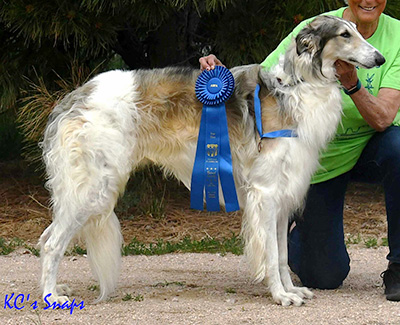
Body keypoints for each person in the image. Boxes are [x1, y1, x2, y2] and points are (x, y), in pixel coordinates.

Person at [199, 0, 400, 301]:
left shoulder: (397, 36)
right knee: (324, 275)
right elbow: (267, 77)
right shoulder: (315, 27)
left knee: (399, 148)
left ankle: (398, 265)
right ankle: (294, 237)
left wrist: (352, 84)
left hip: (368, 148)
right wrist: (222, 78)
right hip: (318, 164)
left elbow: (383, 118)